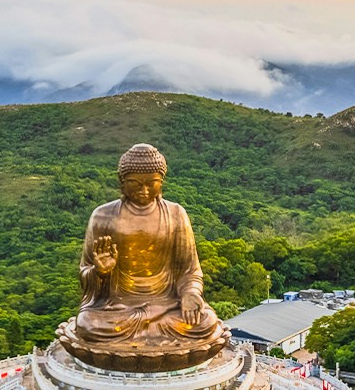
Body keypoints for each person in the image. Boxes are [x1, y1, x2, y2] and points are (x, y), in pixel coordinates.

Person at [58, 144, 228, 371]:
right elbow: (85, 274)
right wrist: (101, 271)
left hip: (166, 305)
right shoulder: (103, 216)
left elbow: (190, 271)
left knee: (205, 321)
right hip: (119, 307)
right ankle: (149, 335)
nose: (144, 190)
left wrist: (190, 293)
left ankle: (149, 331)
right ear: (122, 182)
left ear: (162, 182)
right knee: (88, 325)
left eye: (151, 183)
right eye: (135, 184)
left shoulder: (176, 214)